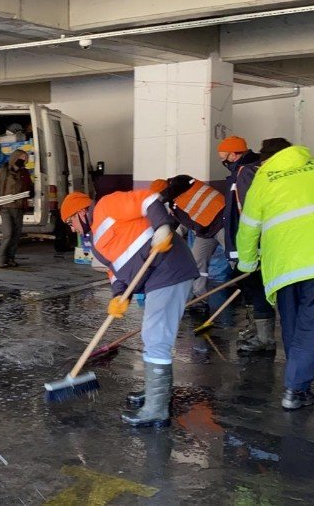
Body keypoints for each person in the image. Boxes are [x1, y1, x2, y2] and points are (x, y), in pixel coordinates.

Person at [60, 190, 198, 427]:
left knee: (156, 337)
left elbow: (148, 200)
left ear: (81, 211)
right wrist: (118, 296)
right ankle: (157, 393)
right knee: (154, 337)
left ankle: (156, 408)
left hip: (169, 268)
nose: (71, 228)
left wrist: (163, 226)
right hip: (156, 279)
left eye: (70, 221)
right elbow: (116, 271)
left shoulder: (107, 205)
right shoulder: (95, 243)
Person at [235, 138, 314, 411]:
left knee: (292, 323)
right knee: (311, 325)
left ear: (266, 159)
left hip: (284, 265)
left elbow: (249, 227)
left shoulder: (263, 179)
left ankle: (296, 383)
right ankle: (296, 388)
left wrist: (248, 263)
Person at [217, 136, 279, 353]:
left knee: (255, 285)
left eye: (223, 156)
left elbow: (247, 212)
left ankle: (264, 337)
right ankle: (257, 327)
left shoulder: (246, 173)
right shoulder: (243, 171)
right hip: (246, 241)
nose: (222, 159)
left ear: (234, 154)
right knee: (248, 284)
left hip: (251, 242)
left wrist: (245, 247)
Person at [152, 176, 226, 310]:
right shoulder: (174, 204)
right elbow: (175, 223)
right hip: (205, 231)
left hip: (221, 222)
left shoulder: (182, 181)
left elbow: (174, 189)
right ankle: (200, 297)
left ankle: (251, 290)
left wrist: (158, 199)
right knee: (197, 262)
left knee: (235, 257)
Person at [0, 149, 33, 268]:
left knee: (16, 235)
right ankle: (1, 259)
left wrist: (31, 193)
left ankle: (10, 258)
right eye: (22, 158)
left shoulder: (24, 172)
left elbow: (29, 187)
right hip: (5, 207)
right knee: (8, 233)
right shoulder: (4, 170)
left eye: (25, 158)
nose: (24, 160)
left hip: (19, 208)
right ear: (15, 157)